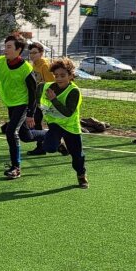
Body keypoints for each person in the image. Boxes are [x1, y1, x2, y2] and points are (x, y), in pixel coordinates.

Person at [0, 34, 37, 180]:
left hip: (23, 104)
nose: (5, 50)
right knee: (26, 136)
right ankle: (53, 138)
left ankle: (16, 167)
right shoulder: (0, 61)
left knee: (11, 132)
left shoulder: (26, 68)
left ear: (18, 50)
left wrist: (31, 113)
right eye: (4, 46)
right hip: (10, 103)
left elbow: (33, 93)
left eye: (8, 47)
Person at [30, 57, 89, 189]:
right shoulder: (46, 87)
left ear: (70, 75)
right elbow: (38, 89)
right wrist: (37, 103)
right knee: (49, 147)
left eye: (62, 75)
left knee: (77, 155)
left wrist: (54, 100)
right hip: (54, 125)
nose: (59, 78)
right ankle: (58, 144)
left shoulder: (74, 91)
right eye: (56, 75)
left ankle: (81, 175)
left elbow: (68, 112)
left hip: (70, 126)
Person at [25, 42, 63, 157]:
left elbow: (51, 83)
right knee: (36, 122)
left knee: (50, 123)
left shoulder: (45, 65)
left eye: (35, 53)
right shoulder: (33, 65)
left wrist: (48, 99)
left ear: (41, 53)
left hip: (45, 100)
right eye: (30, 53)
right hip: (37, 99)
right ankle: (43, 146)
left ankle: (58, 144)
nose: (32, 55)